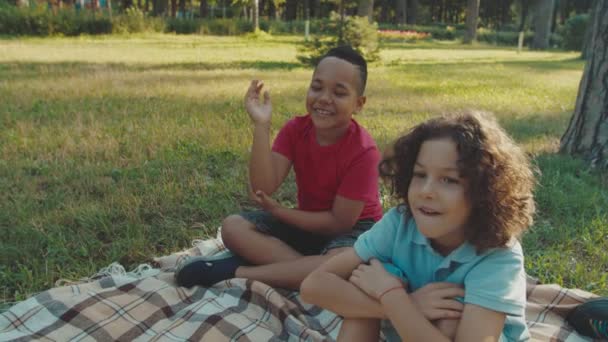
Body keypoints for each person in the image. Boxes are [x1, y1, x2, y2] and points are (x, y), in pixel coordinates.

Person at [301, 111, 537, 341]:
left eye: (449, 180)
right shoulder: (400, 224)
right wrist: (403, 305)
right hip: (406, 326)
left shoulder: (498, 255)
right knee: (363, 298)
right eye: (420, 174)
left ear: (484, 193)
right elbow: (313, 286)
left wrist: (392, 296)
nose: (426, 191)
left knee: (450, 315)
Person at [175, 45, 383, 290]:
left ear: (359, 104)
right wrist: (261, 125)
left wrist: (280, 212)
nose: (324, 98)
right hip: (307, 225)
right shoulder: (296, 129)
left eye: (339, 93)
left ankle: (238, 271)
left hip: (353, 229)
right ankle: (309, 273)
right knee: (233, 227)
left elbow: (339, 223)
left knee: (344, 261)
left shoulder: (364, 152)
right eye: (317, 87)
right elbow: (263, 186)